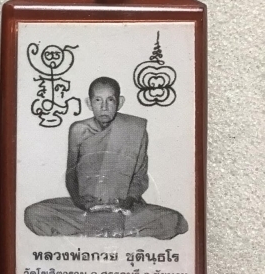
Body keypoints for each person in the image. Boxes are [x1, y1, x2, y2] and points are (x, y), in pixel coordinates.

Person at [24, 77, 188, 239]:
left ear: (120, 102)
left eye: (110, 100)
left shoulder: (135, 129)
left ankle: (94, 230)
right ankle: (116, 230)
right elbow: (71, 173)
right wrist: (79, 201)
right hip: (87, 208)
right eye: (98, 100)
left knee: (173, 221)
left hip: (122, 208)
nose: (104, 107)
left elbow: (140, 176)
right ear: (89, 103)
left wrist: (129, 200)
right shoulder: (78, 130)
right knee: (34, 213)